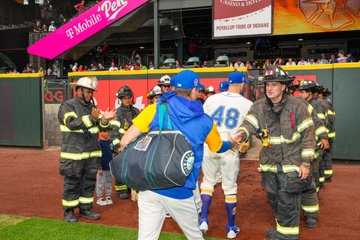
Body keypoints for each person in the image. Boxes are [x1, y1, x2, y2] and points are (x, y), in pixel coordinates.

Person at [119, 69, 240, 240]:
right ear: (193, 91)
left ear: (174, 89)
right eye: (198, 90)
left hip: (150, 186)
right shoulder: (205, 121)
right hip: (180, 191)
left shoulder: (155, 109)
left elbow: (124, 142)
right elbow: (218, 147)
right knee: (195, 237)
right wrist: (232, 143)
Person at [235, 66, 316, 240]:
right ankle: (282, 230)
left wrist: (306, 163)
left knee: (287, 200)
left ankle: (288, 236)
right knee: (274, 198)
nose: (269, 88)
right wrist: (242, 133)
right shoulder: (259, 106)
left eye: (273, 84)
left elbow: (308, 136)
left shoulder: (298, 106)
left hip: (291, 163)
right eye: (267, 85)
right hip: (269, 164)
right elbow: (249, 123)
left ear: (283, 87)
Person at [199, 71, 252, 239]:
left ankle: (203, 219)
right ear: (242, 84)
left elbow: (202, 120)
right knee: (229, 188)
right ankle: (230, 227)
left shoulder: (212, 99)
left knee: (207, 182)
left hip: (211, 144)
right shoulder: (247, 103)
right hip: (230, 146)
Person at [58, 77, 116, 222]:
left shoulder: (93, 108)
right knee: (72, 182)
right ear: (78, 91)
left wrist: (104, 120)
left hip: (91, 154)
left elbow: (102, 129)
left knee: (89, 182)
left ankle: (85, 209)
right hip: (74, 155)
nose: (91, 94)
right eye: (88, 91)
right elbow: (72, 123)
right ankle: (69, 211)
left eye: (92, 92)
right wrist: (92, 118)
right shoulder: (67, 106)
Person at [298, 80, 330, 228]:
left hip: (312, 150)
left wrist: (323, 137)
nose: (300, 94)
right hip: (296, 152)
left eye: (303, 91)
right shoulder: (294, 105)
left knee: (310, 184)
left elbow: (318, 123)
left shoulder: (310, 106)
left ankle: (311, 215)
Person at [111, 85, 140, 199]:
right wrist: (117, 146)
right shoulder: (117, 113)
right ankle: (121, 188)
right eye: (124, 98)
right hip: (121, 146)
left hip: (134, 145)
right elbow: (114, 132)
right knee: (120, 166)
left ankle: (130, 186)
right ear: (120, 99)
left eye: (129, 97)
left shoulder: (136, 111)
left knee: (133, 167)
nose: (127, 100)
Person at [96, 127, 116, 206]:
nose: (107, 133)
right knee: (100, 183)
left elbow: (112, 152)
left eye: (108, 132)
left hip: (109, 166)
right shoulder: (99, 143)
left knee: (109, 182)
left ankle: (108, 196)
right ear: (101, 133)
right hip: (102, 167)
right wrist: (99, 167)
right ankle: (99, 197)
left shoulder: (110, 142)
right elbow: (97, 156)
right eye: (105, 132)